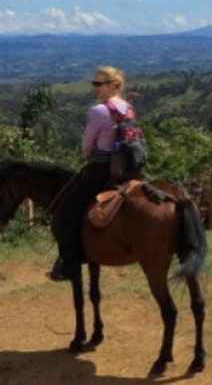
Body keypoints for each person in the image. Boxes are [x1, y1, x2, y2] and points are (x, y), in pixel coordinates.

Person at [49, 66, 138, 281]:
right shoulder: (126, 107)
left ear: (113, 86)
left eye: (99, 84)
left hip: (102, 169)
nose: (95, 88)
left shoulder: (99, 111)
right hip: (126, 169)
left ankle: (69, 263)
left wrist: (87, 157)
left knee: (67, 209)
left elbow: (87, 145)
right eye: (94, 84)